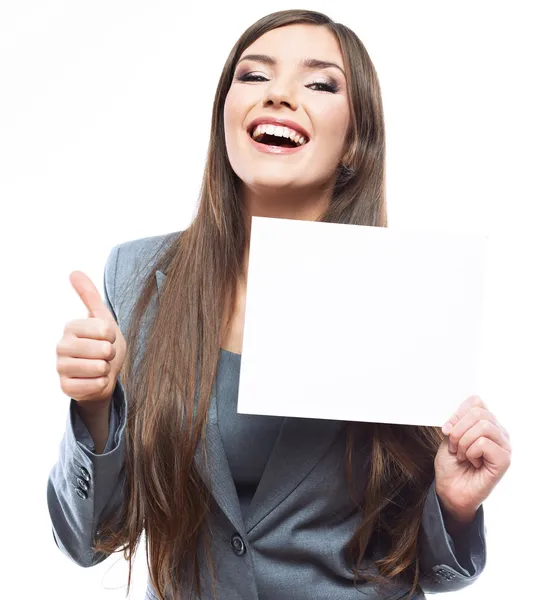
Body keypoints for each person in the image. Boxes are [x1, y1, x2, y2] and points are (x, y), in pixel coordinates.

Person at [47, 9, 512, 600]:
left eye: (318, 83)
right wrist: (93, 409)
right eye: (254, 76)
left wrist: (455, 504)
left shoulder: (402, 292)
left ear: (355, 142)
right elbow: (87, 541)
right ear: (225, 116)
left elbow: (431, 567)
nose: (281, 95)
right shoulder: (136, 273)